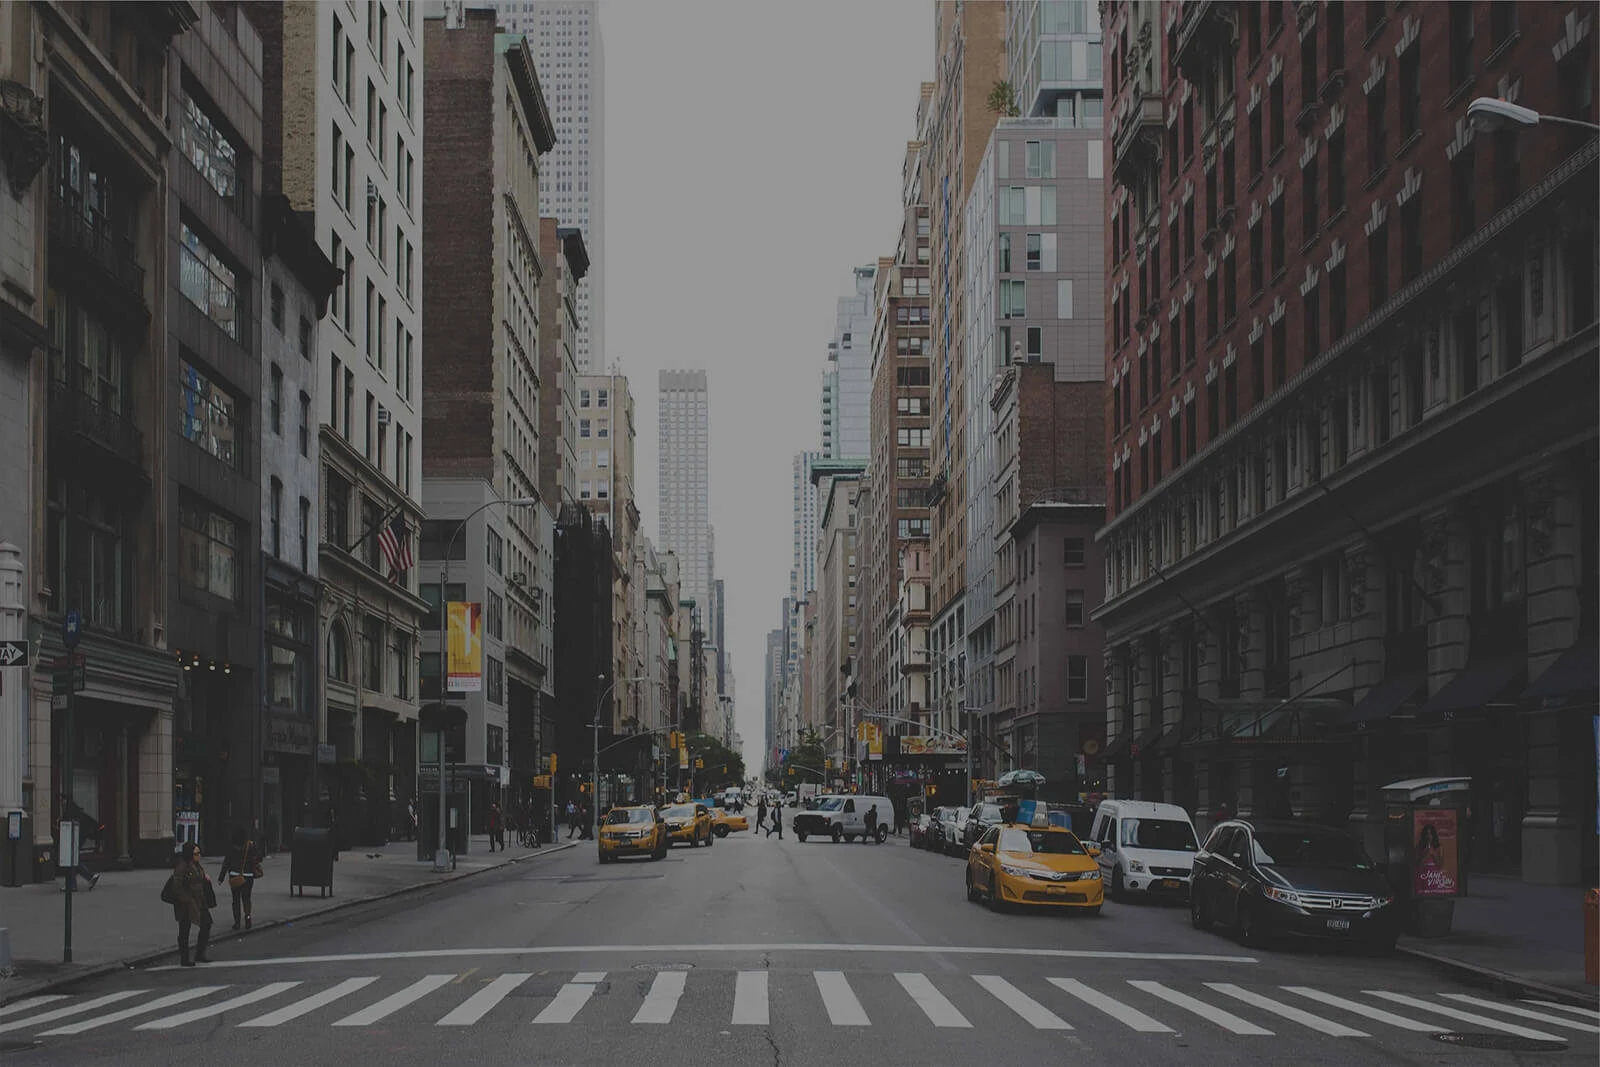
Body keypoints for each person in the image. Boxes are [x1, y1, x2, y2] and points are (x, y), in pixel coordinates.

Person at [163, 841, 213, 966]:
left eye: (199, 853)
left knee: (206, 923)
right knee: (184, 929)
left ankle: (199, 953)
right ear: (190, 854)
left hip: (198, 901)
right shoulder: (182, 866)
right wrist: (186, 899)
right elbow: (177, 885)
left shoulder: (196, 865)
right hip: (186, 903)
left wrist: (205, 878)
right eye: (196, 853)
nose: (199, 855)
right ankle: (185, 958)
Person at [217, 828, 263, 931]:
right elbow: (260, 858)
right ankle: (247, 918)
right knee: (246, 898)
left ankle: (237, 923)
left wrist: (221, 877)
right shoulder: (250, 845)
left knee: (235, 900)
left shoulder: (231, 846)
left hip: (234, 875)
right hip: (248, 875)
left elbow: (226, 862)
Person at [57, 793, 100, 890]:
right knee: (73, 860)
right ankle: (87, 878)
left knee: (72, 860)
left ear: (65, 800)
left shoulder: (70, 811)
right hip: (77, 838)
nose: (60, 802)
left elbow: (68, 825)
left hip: (73, 839)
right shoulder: (74, 809)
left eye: (61, 800)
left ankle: (75, 883)